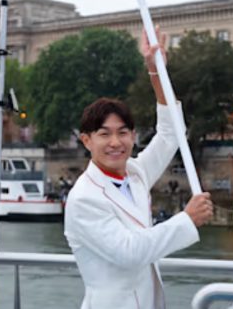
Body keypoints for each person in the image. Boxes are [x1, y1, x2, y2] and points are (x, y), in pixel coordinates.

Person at [64, 36, 213, 309]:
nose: (115, 143)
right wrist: (187, 219)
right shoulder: (84, 198)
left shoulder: (135, 173)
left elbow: (170, 134)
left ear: (133, 136)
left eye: (122, 133)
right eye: (104, 134)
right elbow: (130, 252)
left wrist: (156, 72)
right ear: (86, 140)